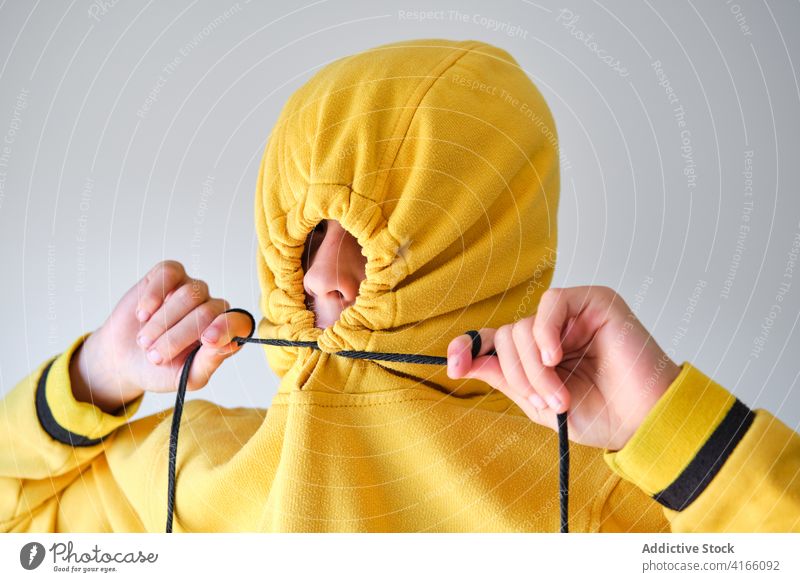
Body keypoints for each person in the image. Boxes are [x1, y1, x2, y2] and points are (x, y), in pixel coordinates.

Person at [1, 38, 798, 533]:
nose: (323, 275)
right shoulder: (190, 468)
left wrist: (663, 423)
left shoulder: (591, 495)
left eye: (386, 233)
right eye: (309, 233)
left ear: (487, 239)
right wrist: (95, 379)